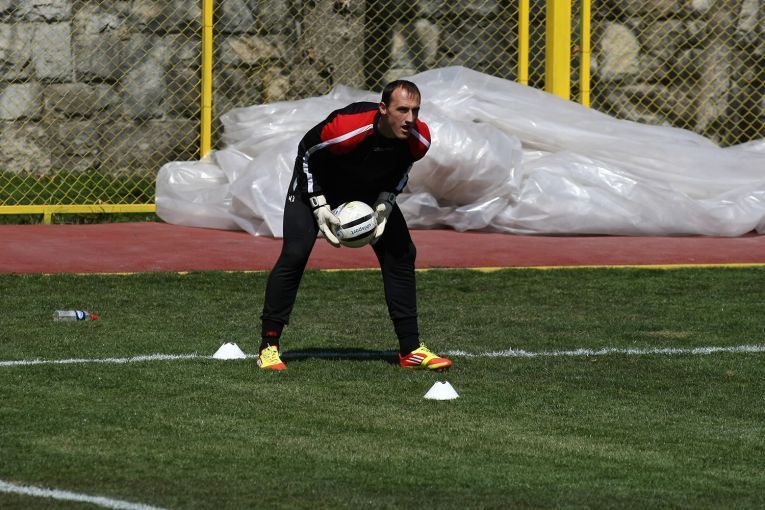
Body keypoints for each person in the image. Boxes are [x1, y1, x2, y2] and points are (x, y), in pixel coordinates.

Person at [257, 79, 452, 372]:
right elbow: (306, 153)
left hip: (366, 188)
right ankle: (268, 346)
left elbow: (403, 166)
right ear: (383, 109)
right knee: (295, 252)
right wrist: (318, 203)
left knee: (401, 253)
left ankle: (411, 349)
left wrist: (388, 198)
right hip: (318, 186)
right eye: (402, 110)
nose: (410, 119)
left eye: (415, 110)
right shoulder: (345, 128)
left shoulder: (419, 139)